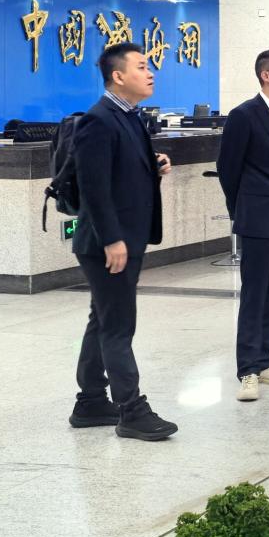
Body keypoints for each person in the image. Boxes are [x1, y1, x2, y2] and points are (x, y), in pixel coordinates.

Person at [70, 42, 178, 441]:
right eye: (142, 67)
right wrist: (112, 239)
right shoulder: (98, 120)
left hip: (124, 236)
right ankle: (131, 410)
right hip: (107, 242)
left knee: (103, 318)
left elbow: (118, 170)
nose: (150, 73)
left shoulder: (129, 116)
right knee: (118, 326)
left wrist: (153, 165)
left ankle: (90, 401)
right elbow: (93, 188)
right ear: (118, 76)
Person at [218, 49, 269, 403]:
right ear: (267, 75)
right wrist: (241, 210)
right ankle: (248, 369)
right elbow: (228, 168)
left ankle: (265, 360)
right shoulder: (244, 115)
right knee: (254, 294)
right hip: (256, 217)